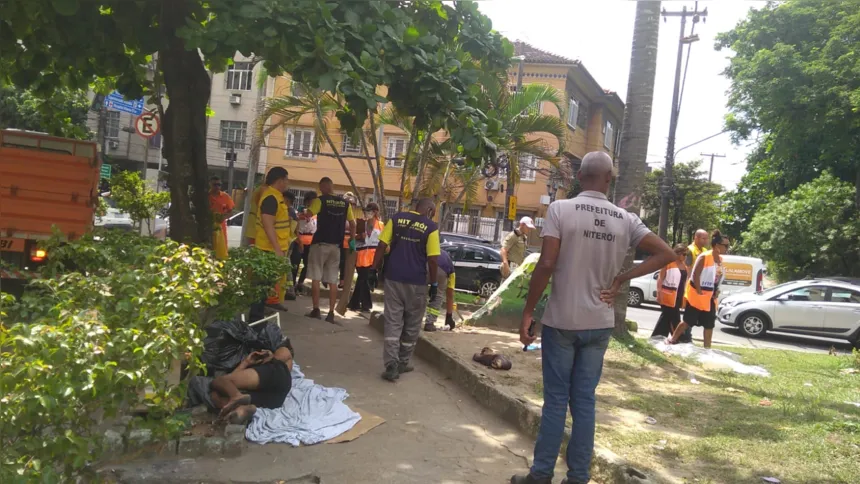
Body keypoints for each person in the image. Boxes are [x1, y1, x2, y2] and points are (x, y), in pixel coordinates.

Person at [512, 152, 675, 484]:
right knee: (584, 401)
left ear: (579, 176)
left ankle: (541, 475)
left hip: (562, 320)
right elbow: (667, 253)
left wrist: (529, 311)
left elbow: (545, 264)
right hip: (600, 322)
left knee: (556, 401)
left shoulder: (561, 209)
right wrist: (621, 278)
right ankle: (578, 477)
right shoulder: (625, 219)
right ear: (609, 179)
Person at [373, 198, 440, 382]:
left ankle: (391, 365)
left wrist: (373, 269)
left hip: (393, 278)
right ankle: (402, 362)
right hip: (417, 282)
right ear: (430, 211)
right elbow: (433, 259)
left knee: (393, 321)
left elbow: (381, 245)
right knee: (412, 324)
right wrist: (433, 284)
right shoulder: (431, 227)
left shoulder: (396, 219)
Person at [667, 230, 730, 349]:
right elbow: (695, 275)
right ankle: (672, 339)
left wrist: (717, 290)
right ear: (717, 246)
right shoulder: (705, 257)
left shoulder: (720, 260)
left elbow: (717, 277)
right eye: (725, 245)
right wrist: (699, 291)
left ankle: (707, 349)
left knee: (709, 324)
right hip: (698, 295)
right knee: (687, 321)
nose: (727, 248)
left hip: (710, 297)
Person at [306, 177, 356, 323]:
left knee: (316, 277)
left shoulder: (320, 200)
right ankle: (331, 313)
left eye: (320, 188)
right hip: (336, 246)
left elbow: (308, 215)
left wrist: (302, 214)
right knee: (333, 280)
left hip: (320, 244)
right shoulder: (345, 204)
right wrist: (352, 240)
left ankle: (316, 310)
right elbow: (352, 224)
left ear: (323, 187)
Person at [210, 345, 294, 424]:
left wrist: (245, 363)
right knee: (217, 394)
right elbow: (286, 353)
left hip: (270, 391)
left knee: (218, 382)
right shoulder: (281, 366)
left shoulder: (270, 368)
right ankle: (241, 409)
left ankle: (237, 399)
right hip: (277, 399)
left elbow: (228, 379)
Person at [249, 167, 291, 323]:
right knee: (260, 290)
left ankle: (256, 321)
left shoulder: (275, 197)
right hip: (266, 250)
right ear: (280, 180)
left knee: (264, 289)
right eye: (286, 180)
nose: (287, 183)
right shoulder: (271, 198)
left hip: (269, 250)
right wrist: (278, 249)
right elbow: (268, 224)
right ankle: (254, 322)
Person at [348, 202, 384, 312]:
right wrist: (359, 236)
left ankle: (362, 304)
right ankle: (357, 304)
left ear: (376, 212)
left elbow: (383, 241)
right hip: (360, 256)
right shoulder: (360, 224)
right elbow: (351, 239)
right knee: (362, 280)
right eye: (367, 211)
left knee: (364, 280)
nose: (368, 213)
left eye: (370, 211)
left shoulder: (381, 225)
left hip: (373, 258)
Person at [650, 244, 689, 338]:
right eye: (684, 254)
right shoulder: (668, 263)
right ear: (677, 253)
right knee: (673, 316)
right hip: (668, 295)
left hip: (678, 295)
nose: (685, 256)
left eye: (686, 254)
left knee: (667, 317)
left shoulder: (684, 266)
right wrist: (659, 293)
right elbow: (660, 278)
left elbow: (684, 281)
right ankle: (677, 337)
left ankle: (659, 336)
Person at [424, 248, 456, 332]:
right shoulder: (451, 269)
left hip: (424, 264)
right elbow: (450, 295)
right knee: (438, 295)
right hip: (442, 270)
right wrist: (449, 317)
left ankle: (411, 319)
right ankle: (429, 323)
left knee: (419, 291)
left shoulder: (429, 249)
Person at [294, 192, 318, 294]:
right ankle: (292, 284)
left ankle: (300, 283)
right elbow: (297, 224)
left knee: (307, 264)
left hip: (311, 242)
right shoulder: (301, 210)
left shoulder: (316, 213)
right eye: (312, 200)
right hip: (300, 240)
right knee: (296, 263)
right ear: (308, 200)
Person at [209, 176, 235, 260]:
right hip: (208, 226)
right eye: (215, 184)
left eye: (219, 185)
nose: (217, 187)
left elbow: (231, 211)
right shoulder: (206, 196)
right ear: (210, 184)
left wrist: (223, 217)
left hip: (221, 227)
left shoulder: (225, 197)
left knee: (221, 249)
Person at [339, 192, 358, 290]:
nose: (351, 206)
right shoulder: (341, 215)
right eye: (349, 203)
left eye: (353, 204)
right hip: (341, 240)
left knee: (349, 263)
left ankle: (347, 282)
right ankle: (341, 281)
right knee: (341, 262)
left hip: (351, 241)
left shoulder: (354, 216)